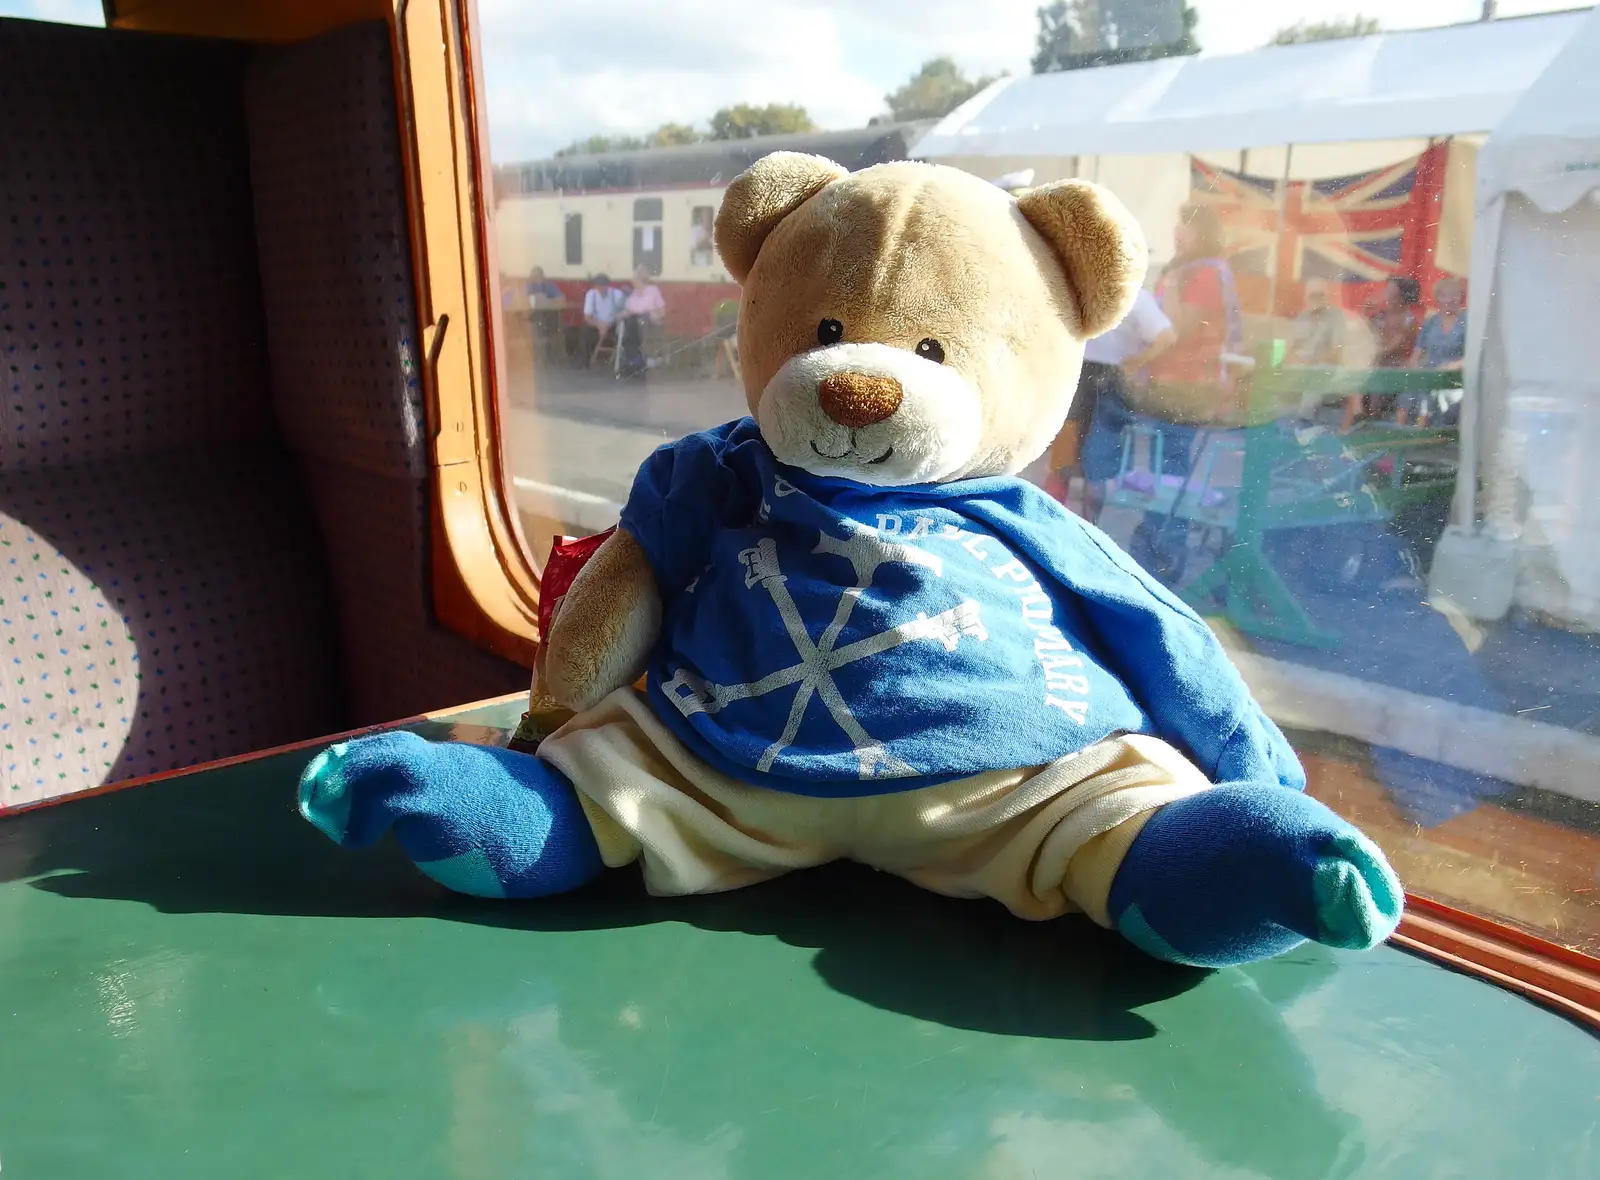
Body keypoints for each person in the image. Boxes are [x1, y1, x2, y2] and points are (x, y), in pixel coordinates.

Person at [1081, 203, 1242, 581]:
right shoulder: (1195, 271)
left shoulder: (1202, 273)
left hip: (1184, 387)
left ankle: (1159, 558)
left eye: (1183, 225)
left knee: (1169, 473)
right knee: (1162, 471)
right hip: (1172, 385)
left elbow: (1178, 329)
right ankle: (1151, 551)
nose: (1176, 233)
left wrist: (1159, 293)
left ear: (1201, 231)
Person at [1044, 286, 1175, 514]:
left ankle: (1052, 515)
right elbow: (1167, 336)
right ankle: (1085, 519)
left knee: (1078, 455)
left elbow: (1167, 337)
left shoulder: (1090, 290)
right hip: (1105, 380)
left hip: (1088, 378)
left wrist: (1138, 361)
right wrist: (1139, 361)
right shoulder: (1134, 296)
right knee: (1094, 457)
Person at [1343, 275, 1421, 430]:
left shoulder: (1408, 320)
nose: (1387, 298)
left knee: (1364, 369)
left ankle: (1360, 419)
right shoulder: (1381, 314)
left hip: (1393, 364)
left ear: (1403, 299)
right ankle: (1353, 421)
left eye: (1392, 295)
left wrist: (1367, 353)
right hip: (1375, 361)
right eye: (1387, 293)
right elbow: (1363, 335)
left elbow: (1391, 348)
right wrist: (1365, 312)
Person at [1399, 276, 1467, 425]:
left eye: (1454, 294)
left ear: (1461, 297)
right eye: (1444, 295)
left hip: (1453, 374)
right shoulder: (1431, 321)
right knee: (1410, 386)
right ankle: (1398, 432)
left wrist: (1452, 366)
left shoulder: (1467, 320)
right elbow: (1417, 352)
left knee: (1428, 390)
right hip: (1429, 370)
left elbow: (1473, 355)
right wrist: (1414, 366)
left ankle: (1420, 433)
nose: (1449, 299)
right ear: (1437, 298)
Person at [1287, 277, 1347, 367]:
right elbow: (1293, 348)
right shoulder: (1302, 318)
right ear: (1306, 297)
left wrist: (1310, 364)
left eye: (1320, 295)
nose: (1317, 299)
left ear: (1327, 297)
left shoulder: (1336, 317)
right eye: (1313, 295)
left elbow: (1336, 353)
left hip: (1325, 370)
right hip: (1301, 370)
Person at [618, 265, 666, 379]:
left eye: (634, 278)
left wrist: (656, 316)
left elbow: (662, 310)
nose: (632, 280)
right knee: (631, 326)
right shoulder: (633, 294)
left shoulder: (653, 291)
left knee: (635, 326)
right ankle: (638, 362)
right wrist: (621, 315)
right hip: (635, 323)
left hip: (650, 322)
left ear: (641, 279)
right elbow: (629, 310)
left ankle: (638, 363)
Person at [580, 274, 627, 369]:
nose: (600, 288)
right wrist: (599, 326)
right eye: (598, 285)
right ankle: (585, 363)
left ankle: (621, 363)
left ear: (608, 285)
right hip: (597, 324)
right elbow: (588, 317)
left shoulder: (617, 294)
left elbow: (624, 312)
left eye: (603, 285)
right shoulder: (591, 294)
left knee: (625, 330)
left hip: (613, 324)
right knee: (584, 331)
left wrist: (608, 324)